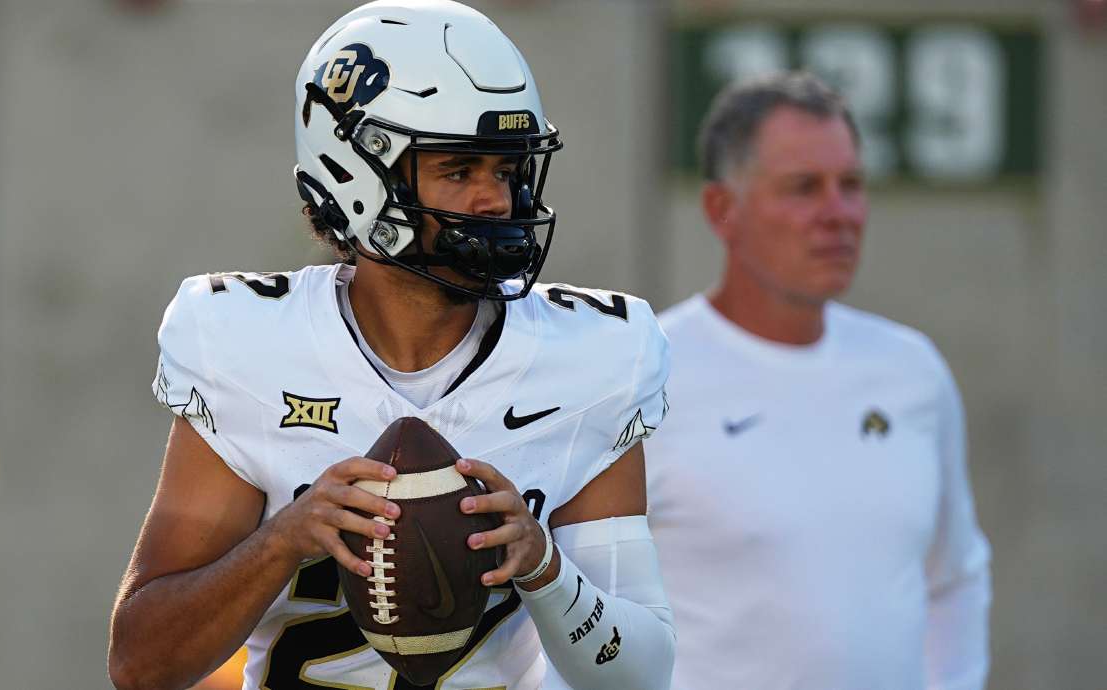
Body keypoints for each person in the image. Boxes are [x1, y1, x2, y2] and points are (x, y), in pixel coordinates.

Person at [107, 2, 675, 689]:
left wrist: (543, 567)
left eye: (507, 169)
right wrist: (282, 539)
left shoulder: (593, 362)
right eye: (460, 171)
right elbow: (141, 665)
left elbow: (638, 676)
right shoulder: (246, 348)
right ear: (356, 177)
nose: (496, 199)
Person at [646, 72, 992, 690]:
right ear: (722, 210)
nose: (840, 214)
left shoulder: (912, 369)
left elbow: (956, 578)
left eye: (852, 185)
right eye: (804, 188)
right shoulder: (644, 374)